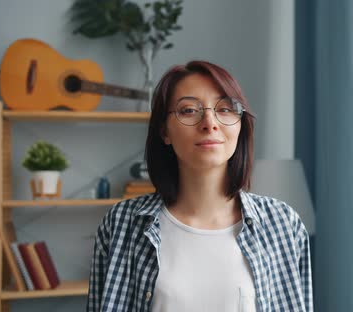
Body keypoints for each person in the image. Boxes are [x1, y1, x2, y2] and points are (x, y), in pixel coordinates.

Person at [86, 60, 313, 312]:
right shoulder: (122, 223)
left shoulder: (283, 223)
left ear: (240, 124)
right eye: (189, 110)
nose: (209, 123)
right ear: (164, 131)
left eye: (225, 109)